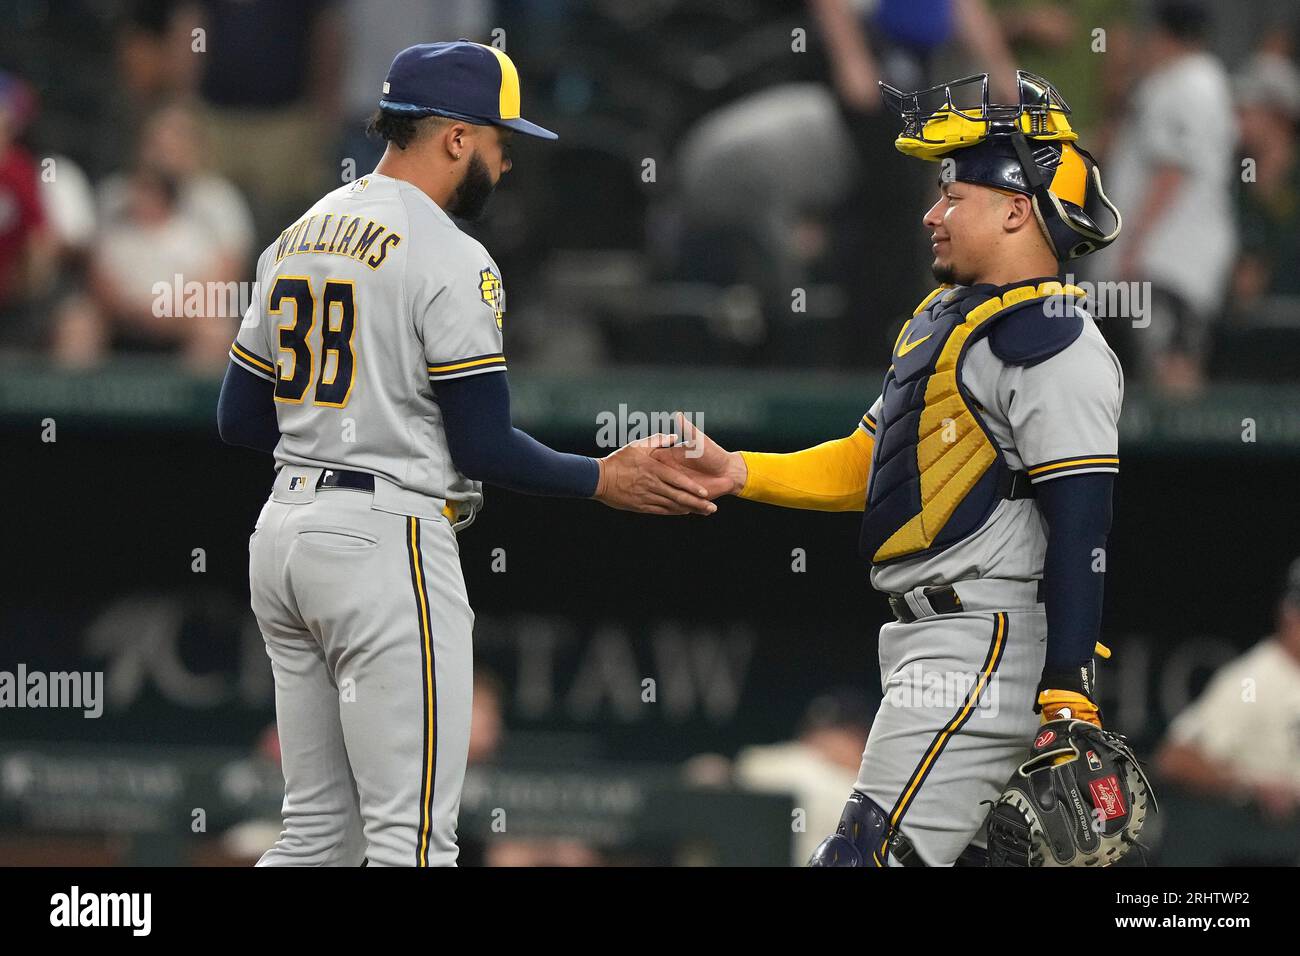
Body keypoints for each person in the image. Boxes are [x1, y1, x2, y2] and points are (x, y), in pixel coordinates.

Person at [216, 41, 718, 867]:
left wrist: (348, 436)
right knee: (412, 843)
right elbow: (482, 444)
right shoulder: (451, 255)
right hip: (383, 538)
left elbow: (239, 417)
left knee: (312, 834)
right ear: (454, 137)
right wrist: (601, 476)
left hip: (282, 535)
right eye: (499, 141)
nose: (507, 161)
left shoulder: (297, 233)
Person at [665, 71, 1128, 866]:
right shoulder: (952, 323)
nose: (932, 214)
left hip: (983, 644)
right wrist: (739, 471)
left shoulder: (1050, 337)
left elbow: (1083, 521)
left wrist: (1069, 690)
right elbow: (864, 464)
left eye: (955, 197)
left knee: (859, 857)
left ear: (1018, 210)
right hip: (941, 643)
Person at [1083, 0, 1237, 397]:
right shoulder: (1168, 81)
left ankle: (1189, 461)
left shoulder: (1195, 80)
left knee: (1171, 369)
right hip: (1148, 260)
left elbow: (1174, 171)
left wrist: (1135, 246)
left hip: (1170, 259)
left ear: (1163, 33)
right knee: (1133, 373)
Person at [1155, 557, 1300, 823]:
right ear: (1289, 612)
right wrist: (1248, 786)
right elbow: (1175, 759)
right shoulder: (1251, 682)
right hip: (1269, 838)